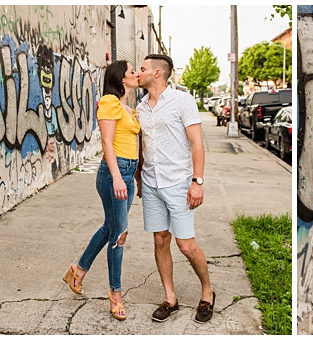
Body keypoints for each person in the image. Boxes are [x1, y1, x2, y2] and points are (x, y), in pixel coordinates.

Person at [134, 54, 215, 324]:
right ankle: (170, 298)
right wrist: (138, 181)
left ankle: (207, 292)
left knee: (186, 244)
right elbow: (142, 147)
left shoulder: (182, 101)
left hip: (179, 182)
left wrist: (197, 182)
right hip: (151, 182)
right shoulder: (141, 107)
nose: (139, 72)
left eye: (142, 68)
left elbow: (197, 143)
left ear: (158, 73)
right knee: (160, 240)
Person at [62, 60, 140, 321]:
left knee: (110, 227)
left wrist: (133, 177)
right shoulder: (109, 101)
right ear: (120, 79)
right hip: (113, 174)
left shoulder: (128, 108)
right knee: (120, 234)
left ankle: (78, 270)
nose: (136, 74)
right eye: (132, 71)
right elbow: (106, 142)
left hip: (127, 173)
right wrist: (118, 178)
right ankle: (116, 294)